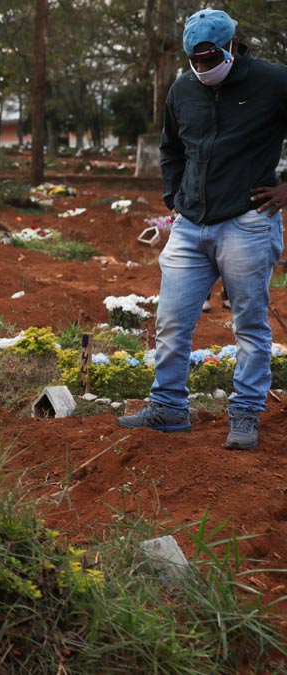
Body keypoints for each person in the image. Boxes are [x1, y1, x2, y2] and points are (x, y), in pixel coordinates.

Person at [119, 8, 287, 451]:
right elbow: (171, 147)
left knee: (249, 324)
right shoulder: (182, 88)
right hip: (190, 225)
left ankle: (246, 413)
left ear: (233, 45)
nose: (204, 68)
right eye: (196, 60)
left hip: (247, 222)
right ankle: (169, 407)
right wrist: (174, 198)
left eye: (212, 58)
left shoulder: (273, 81)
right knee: (172, 321)